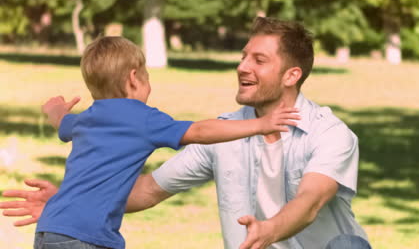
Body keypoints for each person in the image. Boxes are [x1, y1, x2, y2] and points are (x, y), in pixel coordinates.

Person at [1, 17, 371, 249]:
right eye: (243, 56)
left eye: (258, 60)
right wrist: (73, 200)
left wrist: (269, 231)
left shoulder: (330, 134)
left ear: (292, 75)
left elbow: (309, 203)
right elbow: (146, 190)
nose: (242, 66)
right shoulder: (224, 132)